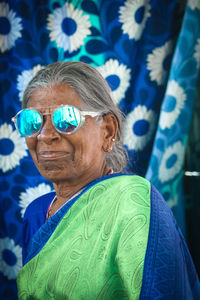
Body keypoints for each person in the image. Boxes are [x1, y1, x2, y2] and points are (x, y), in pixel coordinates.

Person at [14, 61, 199, 299]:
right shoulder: (36, 213)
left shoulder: (134, 203)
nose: (45, 135)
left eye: (67, 119)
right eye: (32, 122)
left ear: (108, 131)